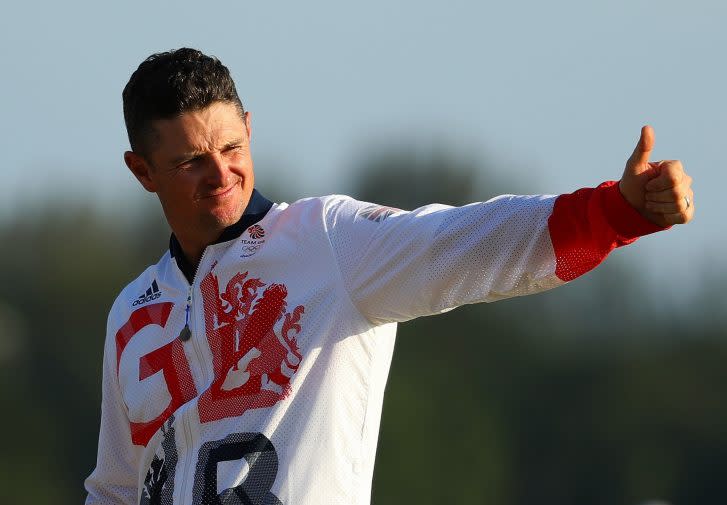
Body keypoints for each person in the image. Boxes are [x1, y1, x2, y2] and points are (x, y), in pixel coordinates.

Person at [84, 47, 694, 505]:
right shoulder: (132, 311)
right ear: (143, 171)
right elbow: (115, 489)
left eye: (232, 148)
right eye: (191, 161)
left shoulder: (328, 241)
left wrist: (619, 211)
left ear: (249, 126)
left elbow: (470, 241)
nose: (221, 175)